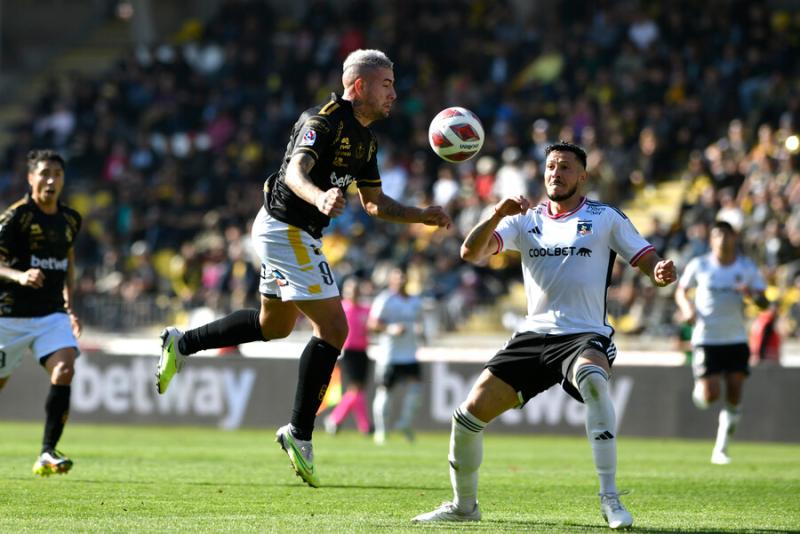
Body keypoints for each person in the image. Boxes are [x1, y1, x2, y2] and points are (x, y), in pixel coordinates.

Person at [156, 49, 451, 487]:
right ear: (358, 87)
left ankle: (182, 342)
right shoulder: (323, 120)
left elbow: (374, 204)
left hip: (292, 230)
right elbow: (296, 170)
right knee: (334, 329)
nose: (394, 92)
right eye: (386, 84)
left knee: (272, 325)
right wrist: (319, 197)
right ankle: (299, 431)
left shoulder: (367, 140)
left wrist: (420, 215)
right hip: (286, 228)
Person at [412, 141, 677, 529]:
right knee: (467, 415)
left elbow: (644, 257)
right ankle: (464, 506)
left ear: (583, 176)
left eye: (566, 167)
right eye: (551, 166)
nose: (556, 173)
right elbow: (471, 253)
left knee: (593, 381)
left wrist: (658, 271)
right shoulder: (524, 220)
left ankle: (610, 498)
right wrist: (497, 212)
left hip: (584, 333)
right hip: (534, 336)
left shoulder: (605, 217)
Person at [0, 150, 82, 476]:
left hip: (51, 314)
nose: (51, 180)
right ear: (31, 178)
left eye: (57, 174)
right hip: (10, 316)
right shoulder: (15, 217)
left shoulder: (71, 219)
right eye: (45, 173)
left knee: (64, 368)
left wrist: (70, 307)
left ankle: (47, 452)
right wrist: (19, 275)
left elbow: (68, 263)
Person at [674, 220, 768, 465]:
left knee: (735, 391)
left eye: (727, 235)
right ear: (711, 240)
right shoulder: (700, 265)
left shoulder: (746, 267)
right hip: (707, 338)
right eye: (718, 235)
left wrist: (751, 295)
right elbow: (681, 291)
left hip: (736, 338)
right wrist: (687, 308)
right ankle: (701, 389)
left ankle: (721, 449)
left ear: (734, 238)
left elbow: (764, 303)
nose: (723, 240)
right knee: (710, 395)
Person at [368, 266, 424, 445]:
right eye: (397, 276)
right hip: (389, 355)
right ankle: (381, 431)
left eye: (403, 276)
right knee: (385, 391)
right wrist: (391, 329)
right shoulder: (385, 299)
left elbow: (420, 322)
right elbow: (372, 324)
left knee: (416, 389)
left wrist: (422, 333)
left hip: (410, 354)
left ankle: (405, 423)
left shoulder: (415, 301)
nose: (401, 280)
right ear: (391, 279)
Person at [324, 277, 372, 436]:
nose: (354, 293)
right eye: (351, 290)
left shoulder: (366, 310)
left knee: (357, 390)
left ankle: (336, 420)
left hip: (363, 351)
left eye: (357, 290)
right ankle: (363, 426)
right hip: (348, 351)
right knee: (356, 388)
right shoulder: (341, 309)